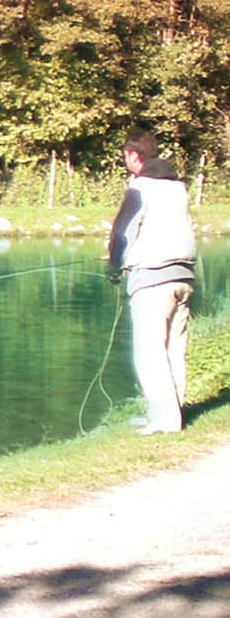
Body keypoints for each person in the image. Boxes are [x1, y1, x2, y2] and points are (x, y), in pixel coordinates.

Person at [107, 130, 198, 435]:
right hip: (183, 277)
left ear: (135, 156)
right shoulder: (178, 186)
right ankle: (175, 415)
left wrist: (113, 265)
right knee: (174, 349)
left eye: (126, 157)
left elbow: (123, 231)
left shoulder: (140, 187)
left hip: (153, 278)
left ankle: (164, 421)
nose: (126, 162)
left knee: (149, 352)